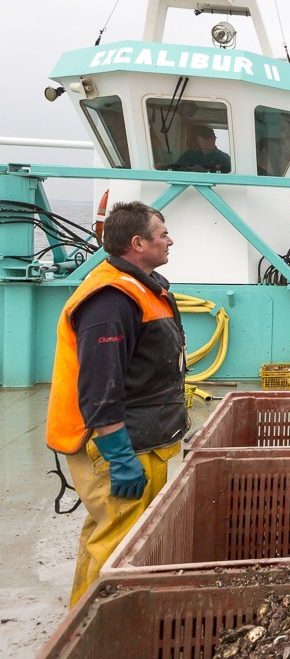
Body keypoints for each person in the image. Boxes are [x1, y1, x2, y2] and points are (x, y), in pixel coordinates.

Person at [46, 202, 188, 606]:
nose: (170, 240)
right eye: (162, 233)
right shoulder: (110, 300)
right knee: (120, 542)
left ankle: (81, 620)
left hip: (144, 437)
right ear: (138, 242)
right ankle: (97, 629)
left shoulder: (141, 286)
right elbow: (99, 385)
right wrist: (118, 455)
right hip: (123, 446)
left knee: (106, 533)